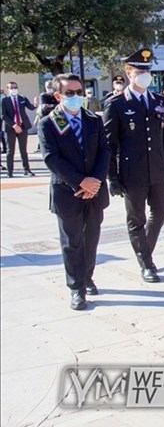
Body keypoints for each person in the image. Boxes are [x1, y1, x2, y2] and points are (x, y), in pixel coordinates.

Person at [103, 48, 164, 283]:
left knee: (162, 211)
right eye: (139, 71)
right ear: (128, 73)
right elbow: (109, 145)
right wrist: (112, 177)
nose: (145, 74)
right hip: (131, 172)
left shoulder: (158, 101)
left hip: (157, 169)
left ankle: (145, 252)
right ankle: (146, 264)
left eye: (147, 70)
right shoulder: (115, 104)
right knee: (137, 219)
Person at [37, 74, 110, 310]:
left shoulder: (93, 120)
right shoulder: (48, 123)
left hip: (95, 189)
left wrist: (95, 181)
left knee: (91, 238)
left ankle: (87, 276)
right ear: (58, 95)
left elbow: (104, 152)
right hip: (68, 191)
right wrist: (80, 182)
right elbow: (51, 158)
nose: (76, 97)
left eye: (80, 92)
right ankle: (76, 288)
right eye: (70, 93)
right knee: (72, 242)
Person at [2, 81, 37, 177]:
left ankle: (27, 170)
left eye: (15, 87)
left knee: (23, 150)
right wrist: (14, 125)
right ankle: (10, 172)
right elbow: (3, 115)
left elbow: (31, 107)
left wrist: (35, 104)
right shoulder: (4, 100)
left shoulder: (22, 98)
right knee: (10, 151)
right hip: (10, 128)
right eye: (11, 88)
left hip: (22, 127)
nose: (14, 89)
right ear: (8, 89)